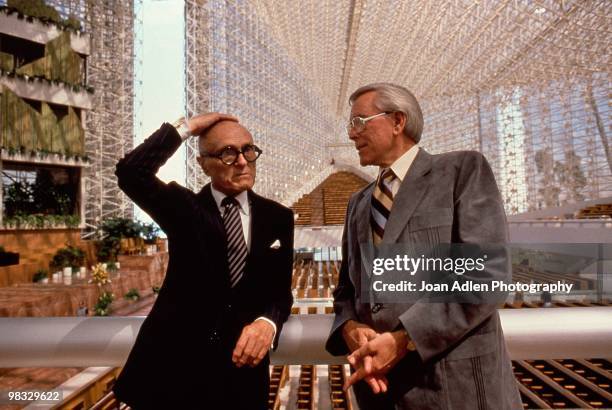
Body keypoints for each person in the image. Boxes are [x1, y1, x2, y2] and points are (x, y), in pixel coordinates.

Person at [325, 83, 522, 409]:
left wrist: (405, 339)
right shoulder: (358, 204)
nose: (350, 133)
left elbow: (486, 273)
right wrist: (349, 328)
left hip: (456, 390)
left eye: (359, 122)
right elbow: (347, 289)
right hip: (382, 393)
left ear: (398, 121)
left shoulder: (461, 172)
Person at [112, 113, 294, 409]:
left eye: (248, 149)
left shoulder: (279, 218)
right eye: (227, 153)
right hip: (172, 379)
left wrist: (267, 322)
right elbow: (131, 172)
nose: (242, 161)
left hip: (241, 381)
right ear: (202, 164)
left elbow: (279, 291)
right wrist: (186, 128)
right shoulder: (184, 208)